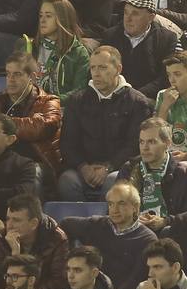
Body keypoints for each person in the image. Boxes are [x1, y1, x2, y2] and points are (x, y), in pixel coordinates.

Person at [57, 47, 153, 202]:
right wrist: (83, 167)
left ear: (118, 69)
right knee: (67, 181)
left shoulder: (137, 102)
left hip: (120, 168)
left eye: (102, 67)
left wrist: (109, 167)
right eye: (93, 67)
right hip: (83, 168)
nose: (96, 73)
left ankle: (107, 223)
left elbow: (134, 145)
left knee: (114, 182)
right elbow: (68, 143)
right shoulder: (77, 101)